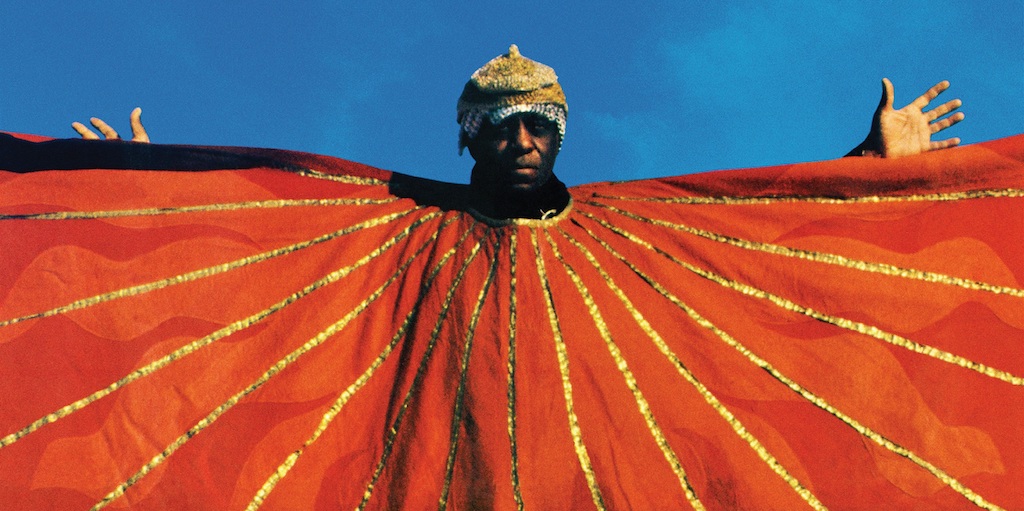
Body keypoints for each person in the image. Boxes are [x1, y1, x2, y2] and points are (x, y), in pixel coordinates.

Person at [72, 45, 964, 219]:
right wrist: (140, 190)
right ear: (468, 139)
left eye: (543, 124)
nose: (526, 139)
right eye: (504, 126)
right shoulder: (395, 226)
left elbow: (753, 233)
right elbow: (264, 240)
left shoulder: (626, 234)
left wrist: (868, 166)